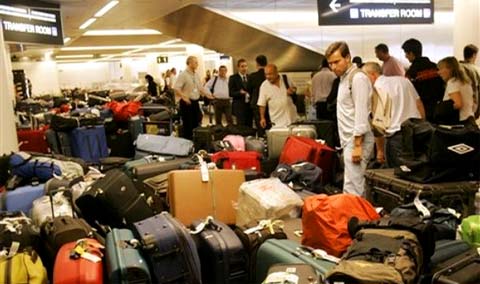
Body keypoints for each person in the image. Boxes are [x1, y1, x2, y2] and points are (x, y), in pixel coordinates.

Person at [325, 41, 374, 196]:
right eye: (330, 63)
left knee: (354, 185)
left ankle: (357, 218)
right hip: (349, 140)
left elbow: (361, 113)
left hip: (357, 140)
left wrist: (357, 145)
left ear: (348, 58)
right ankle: (353, 216)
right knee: (351, 182)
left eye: (336, 62)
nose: (333, 67)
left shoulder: (357, 78)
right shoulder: (343, 79)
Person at [362, 62, 425, 168]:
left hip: (396, 138)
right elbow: (419, 104)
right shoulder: (404, 81)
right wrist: (423, 126)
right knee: (416, 171)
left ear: (372, 74)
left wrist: (380, 150)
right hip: (417, 132)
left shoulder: (376, 89)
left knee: (398, 174)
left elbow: (379, 124)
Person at [402, 38, 445, 122]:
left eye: (406, 53)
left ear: (411, 53)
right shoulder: (436, 67)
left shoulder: (411, 73)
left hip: (420, 111)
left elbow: (409, 93)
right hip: (437, 109)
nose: (405, 56)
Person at [174, 56, 215, 139]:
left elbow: (200, 88)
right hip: (186, 103)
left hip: (195, 102)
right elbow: (176, 88)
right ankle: (188, 142)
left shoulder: (196, 75)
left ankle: (196, 141)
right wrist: (184, 97)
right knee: (188, 125)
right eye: (195, 62)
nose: (197, 64)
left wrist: (207, 95)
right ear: (189, 63)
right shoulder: (183, 75)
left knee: (197, 122)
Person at [257, 64, 298, 129]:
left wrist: (292, 90)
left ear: (276, 72)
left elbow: (294, 88)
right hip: (277, 122)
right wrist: (262, 118)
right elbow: (262, 104)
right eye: (266, 74)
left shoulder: (286, 78)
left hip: (293, 119)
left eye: (270, 74)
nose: (268, 77)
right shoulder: (264, 86)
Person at [437, 56, 475, 124]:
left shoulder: (452, 82)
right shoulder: (465, 82)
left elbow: (458, 104)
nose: (438, 72)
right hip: (469, 119)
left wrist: (441, 109)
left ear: (450, 69)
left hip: (458, 122)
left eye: (441, 69)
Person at [247, 55, 269, 135]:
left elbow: (248, 89)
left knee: (260, 125)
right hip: (269, 103)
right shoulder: (268, 76)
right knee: (269, 124)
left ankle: (262, 140)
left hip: (256, 103)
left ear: (257, 64)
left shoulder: (253, 76)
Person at [229, 58, 253, 126]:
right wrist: (239, 92)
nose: (244, 68)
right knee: (241, 126)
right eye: (242, 66)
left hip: (249, 106)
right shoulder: (233, 78)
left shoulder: (249, 77)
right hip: (239, 107)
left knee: (249, 125)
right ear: (238, 67)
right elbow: (230, 93)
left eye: (245, 66)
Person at [460, 44, 480, 118]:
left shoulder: (456, 67)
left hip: (457, 104)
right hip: (471, 107)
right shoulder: (476, 70)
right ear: (474, 55)